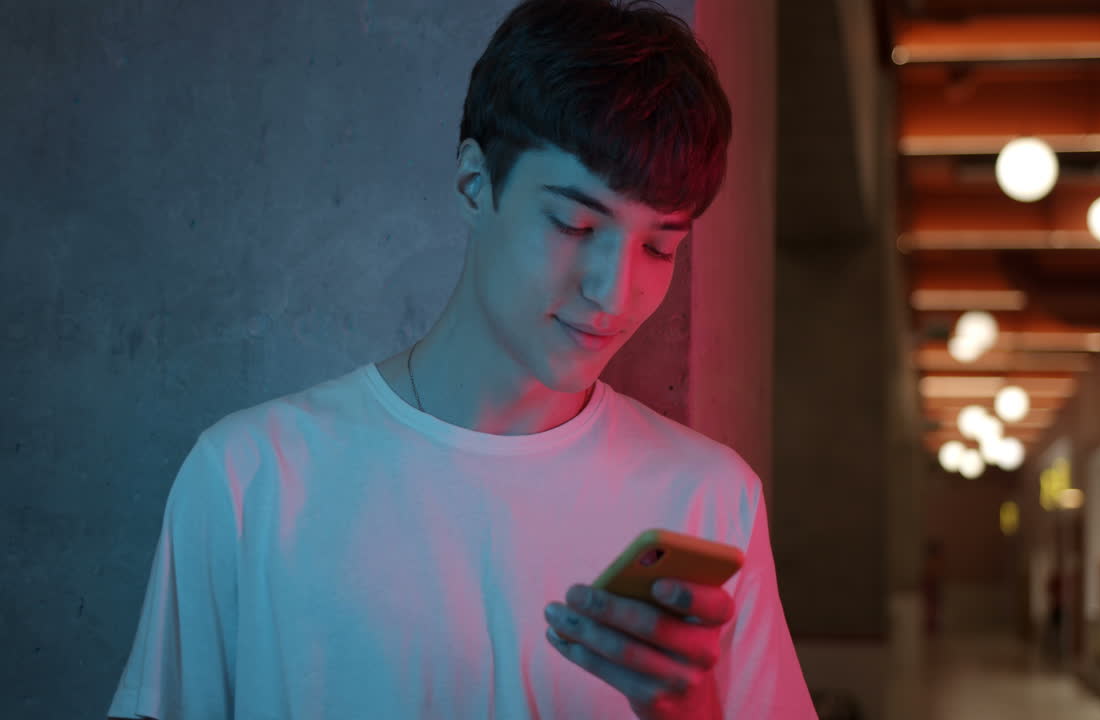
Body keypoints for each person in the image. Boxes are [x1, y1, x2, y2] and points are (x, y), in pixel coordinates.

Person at [106, 1, 818, 718]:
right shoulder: (252, 477)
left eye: (660, 245)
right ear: (475, 184)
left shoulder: (708, 500)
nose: (615, 290)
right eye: (576, 223)